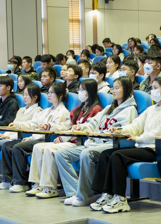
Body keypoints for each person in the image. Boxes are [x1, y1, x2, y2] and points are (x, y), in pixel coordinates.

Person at [90, 76, 161, 213]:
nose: (152, 91)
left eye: (156, 88)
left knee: (117, 155)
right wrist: (122, 130)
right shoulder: (151, 109)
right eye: (152, 88)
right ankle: (107, 194)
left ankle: (120, 199)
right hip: (144, 146)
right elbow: (136, 125)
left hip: (158, 149)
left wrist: (138, 138)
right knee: (106, 154)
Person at [55, 77, 138, 207]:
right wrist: (81, 127)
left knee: (86, 154)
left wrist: (106, 133)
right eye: (113, 88)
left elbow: (126, 131)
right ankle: (74, 192)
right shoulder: (109, 108)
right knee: (61, 154)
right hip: (95, 143)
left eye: (117, 87)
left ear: (126, 89)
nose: (113, 90)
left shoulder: (130, 110)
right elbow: (93, 123)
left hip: (110, 145)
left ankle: (85, 196)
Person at [26, 80, 103, 198]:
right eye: (79, 90)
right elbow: (66, 126)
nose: (80, 92)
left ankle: (50, 187)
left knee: (50, 149)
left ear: (91, 91)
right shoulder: (78, 108)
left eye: (83, 90)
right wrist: (50, 126)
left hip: (79, 143)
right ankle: (37, 184)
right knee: (37, 146)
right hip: (70, 140)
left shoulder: (96, 109)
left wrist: (63, 138)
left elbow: (87, 129)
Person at [3, 82, 71, 193]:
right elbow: (33, 123)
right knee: (14, 145)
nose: (48, 95)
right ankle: (35, 183)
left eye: (52, 93)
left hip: (48, 140)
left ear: (61, 95)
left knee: (19, 147)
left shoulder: (63, 112)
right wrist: (18, 125)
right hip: (38, 138)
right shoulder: (46, 111)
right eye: (48, 92)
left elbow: (58, 129)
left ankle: (22, 182)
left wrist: (35, 136)